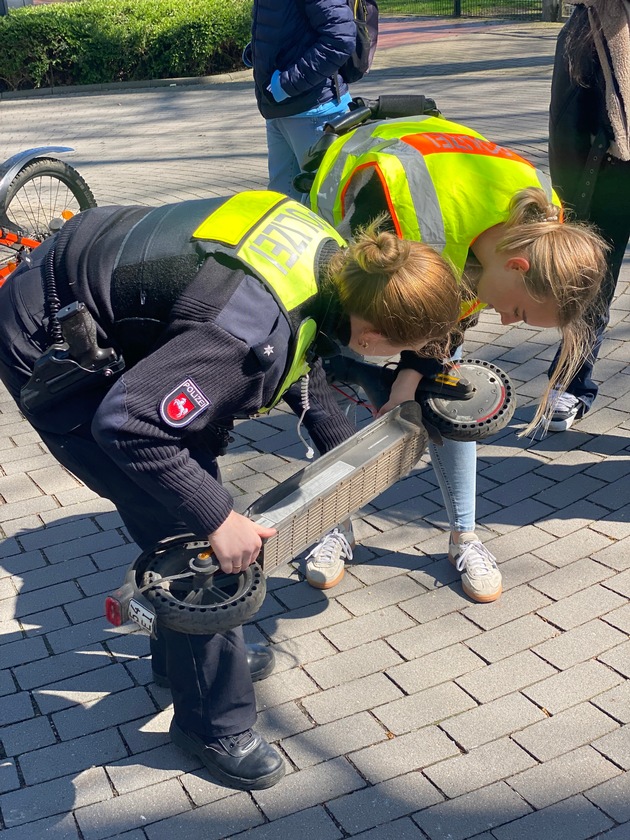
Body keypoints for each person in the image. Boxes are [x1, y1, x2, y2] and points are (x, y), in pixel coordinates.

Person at [0, 190, 460, 791]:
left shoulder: (337, 263)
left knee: (184, 510)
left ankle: (182, 665)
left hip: (93, 285)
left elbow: (307, 356)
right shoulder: (246, 335)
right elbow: (130, 424)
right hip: (51, 338)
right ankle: (213, 725)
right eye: (397, 350)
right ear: (372, 335)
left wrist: (345, 452)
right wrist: (218, 518)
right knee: (195, 549)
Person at [302, 112, 608, 602]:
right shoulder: (410, 218)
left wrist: (411, 381)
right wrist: (384, 368)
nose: (504, 321)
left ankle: (464, 536)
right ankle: (332, 524)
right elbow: (361, 308)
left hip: (431, 231)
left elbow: (451, 316)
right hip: (359, 236)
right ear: (516, 265)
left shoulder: (544, 225)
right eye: (518, 311)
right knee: (330, 385)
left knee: (450, 402)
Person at [545, 0, 630, 431]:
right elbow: (565, 122)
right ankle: (569, 383)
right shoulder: (590, 21)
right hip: (609, 175)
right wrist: (570, 200)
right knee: (591, 284)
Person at [248, 0, 357, 200]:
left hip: (316, 112)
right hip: (280, 110)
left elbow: (340, 39)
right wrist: (258, 53)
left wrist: (285, 85)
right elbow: (289, 26)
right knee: (281, 205)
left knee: (324, 204)